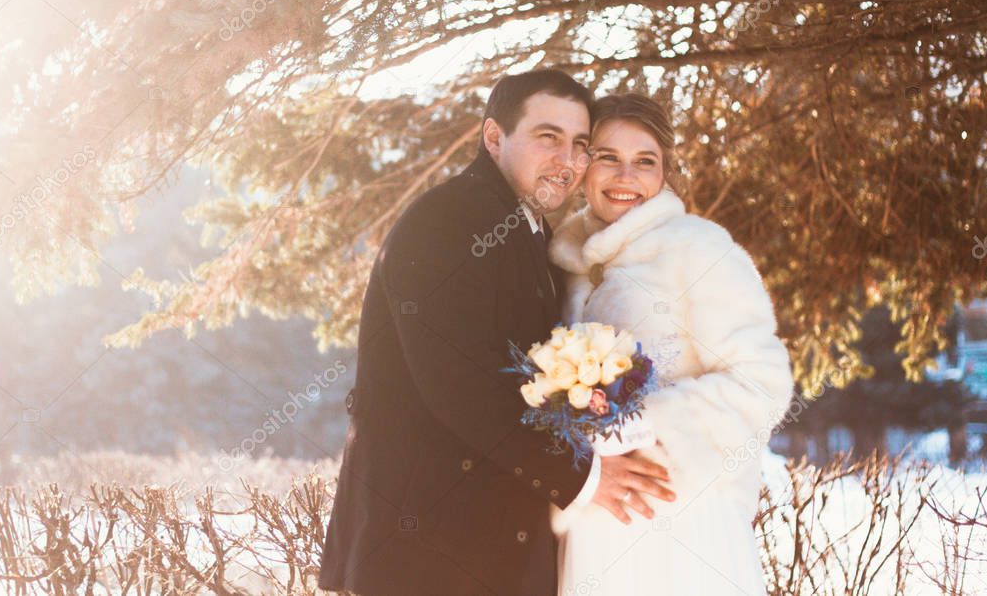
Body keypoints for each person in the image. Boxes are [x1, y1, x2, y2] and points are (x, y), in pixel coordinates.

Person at [318, 71, 674, 596]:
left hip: (489, 551)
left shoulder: (530, 230)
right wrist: (583, 477)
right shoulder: (447, 220)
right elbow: (459, 385)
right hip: (423, 555)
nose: (568, 160)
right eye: (548, 137)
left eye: (580, 145)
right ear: (493, 138)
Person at [548, 92, 794, 595]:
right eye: (607, 158)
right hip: (593, 529)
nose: (625, 177)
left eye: (645, 162)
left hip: (683, 523)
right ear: (583, 167)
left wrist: (648, 422)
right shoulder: (561, 267)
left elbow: (762, 382)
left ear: (665, 174)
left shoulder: (698, 249)